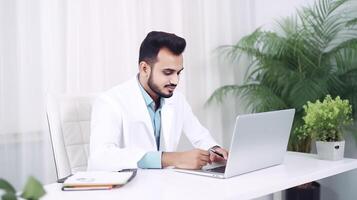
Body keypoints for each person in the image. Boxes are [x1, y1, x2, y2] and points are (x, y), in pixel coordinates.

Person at [88, 31, 228, 171]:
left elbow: (199, 135)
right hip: (126, 187)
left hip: (162, 184)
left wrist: (214, 150)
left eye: (178, 72)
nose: (175, 81)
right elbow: (100, 158)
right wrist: (172, 158)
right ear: (144, 69)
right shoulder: (110, 101)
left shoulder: (177, 99)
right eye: (168, 72)